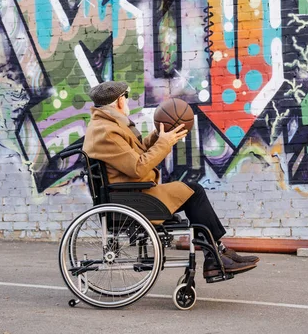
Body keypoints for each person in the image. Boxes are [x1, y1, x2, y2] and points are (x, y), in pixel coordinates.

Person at [83, 80, 259, 278]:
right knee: (195, 192)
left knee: (192, 191)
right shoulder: (107, 131)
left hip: (131, 194)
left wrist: (160, 134)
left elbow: (135, 152)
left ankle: (218, 253)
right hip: (132, 198)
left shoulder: (107, 126)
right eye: (125, 97)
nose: (127, 102)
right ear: (118, 101)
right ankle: (216, 256)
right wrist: (164, 144)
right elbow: (138, 167)